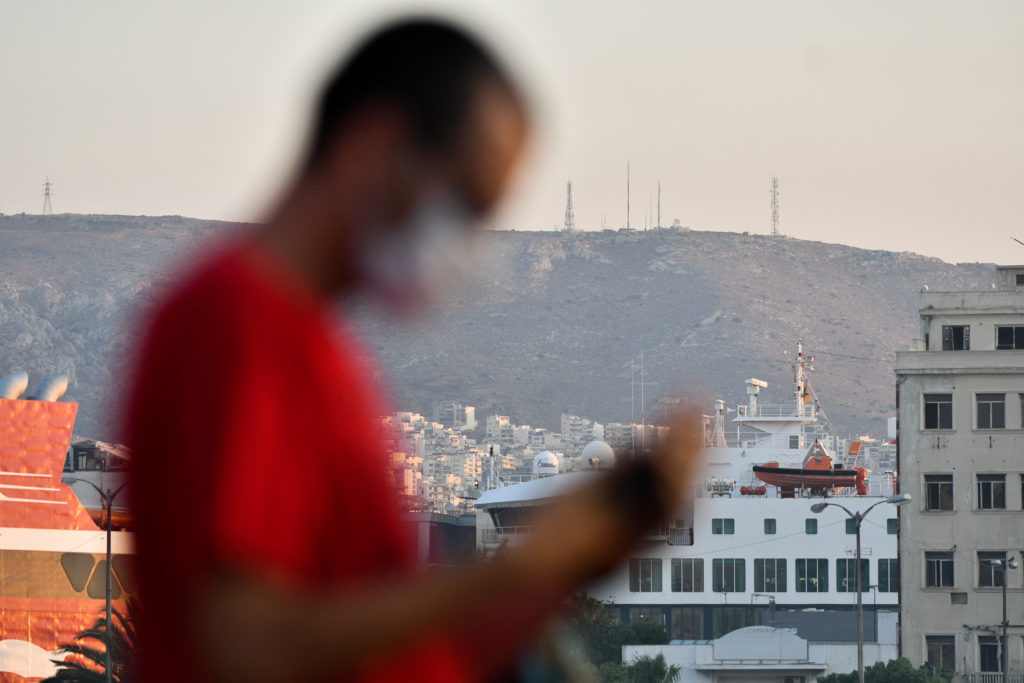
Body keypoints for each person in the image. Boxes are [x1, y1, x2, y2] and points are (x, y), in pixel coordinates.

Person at [124, 17, 702, 683]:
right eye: (462, 204)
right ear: (378, 144)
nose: (462, 245)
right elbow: (245, 648)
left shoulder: (319, 353)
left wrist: (580, 552)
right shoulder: (234, 325)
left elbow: (403, 651)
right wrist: (513, 570)